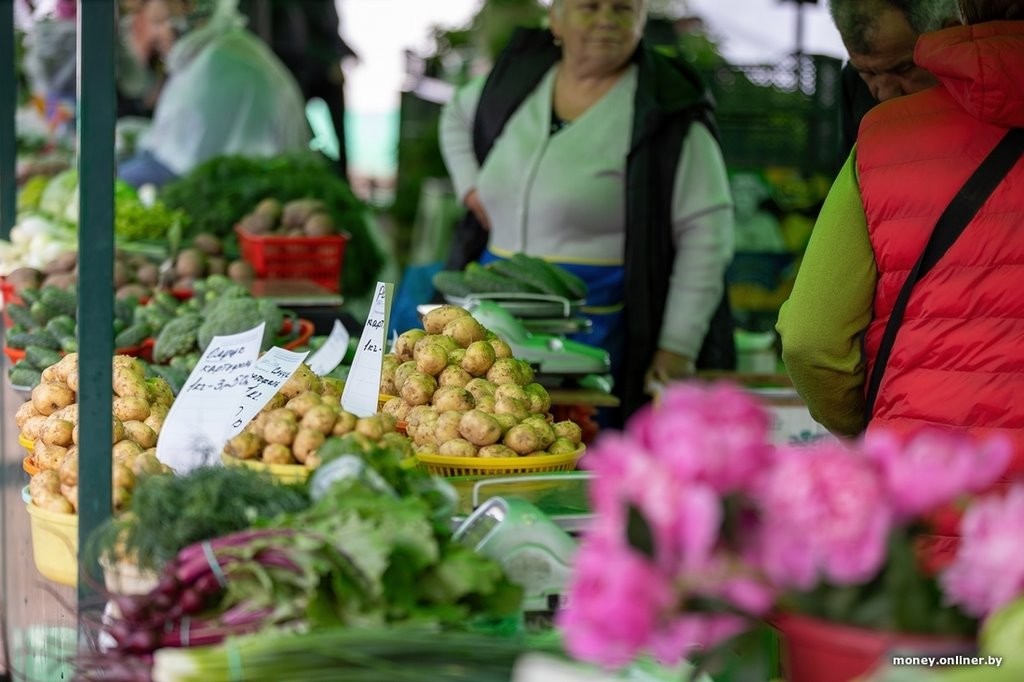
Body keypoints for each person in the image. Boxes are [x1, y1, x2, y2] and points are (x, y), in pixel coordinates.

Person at [778, 0, 1023, 564]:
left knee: (942, 657)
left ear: (953, 17)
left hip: (932, 498)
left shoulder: (885, 138)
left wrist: (867, 427)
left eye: (901, 70)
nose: (887, 90)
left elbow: (811, 337)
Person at [439, 0, 736, 425]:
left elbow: (707, 232)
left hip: (598, 330)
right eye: (589, 6)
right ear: (555, 19)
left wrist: (677, 346)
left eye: (622, 9)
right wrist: (470, 186)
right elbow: (454, 114)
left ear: (641, 20)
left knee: (575, 446)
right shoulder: (518, 81)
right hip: (494, 323)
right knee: (487, 433)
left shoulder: (666, 108)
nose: (605, 21)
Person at [118, 0, 310, 188]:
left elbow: (184, 167)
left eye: (155, 20)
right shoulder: (209, 55)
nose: (139, 32)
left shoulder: (224, 63)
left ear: (187, 6)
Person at [239, 0, 356, 178]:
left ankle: (340, 176)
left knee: (340, 135)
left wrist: (345, 54)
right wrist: (329, 62)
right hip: (303, 74)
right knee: (300, 134)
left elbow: (330, 33)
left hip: (322, 72)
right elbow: (300, 37)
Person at [830, 0, 961, 159]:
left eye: (903, 68)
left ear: (952, 36)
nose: (885, 94)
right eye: (867, 73)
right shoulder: (853, 83)